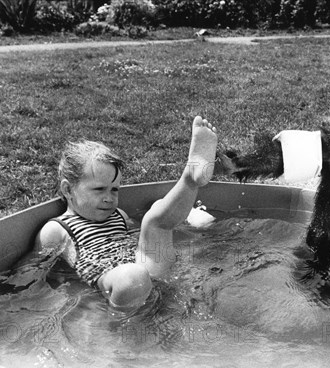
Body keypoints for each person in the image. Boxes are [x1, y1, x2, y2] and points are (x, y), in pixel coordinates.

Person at [33, 116, 217, 312]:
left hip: (150, 269)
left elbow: (143, 238)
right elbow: (35, 268)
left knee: (155, 222)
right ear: (68, 190)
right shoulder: (57, 228)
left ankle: (190, 178)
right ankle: (189, 182)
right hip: (118, 283)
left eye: (114, 189)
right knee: (133, 275)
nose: (109, 198)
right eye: (99, 189)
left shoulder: (119, 214)